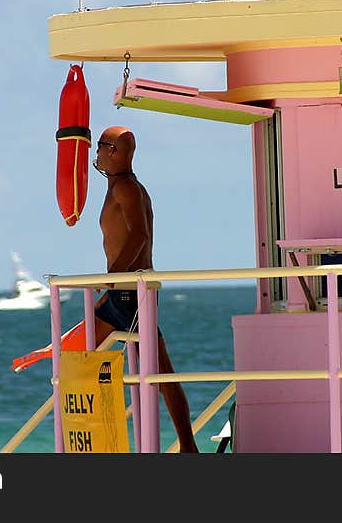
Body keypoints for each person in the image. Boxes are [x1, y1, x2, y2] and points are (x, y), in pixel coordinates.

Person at [91, 125, 199, 453]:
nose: (95, 153)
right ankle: (185, 446)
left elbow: (140, 236)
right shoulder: (125, 187)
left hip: (127, 294)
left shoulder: (125, 187)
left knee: (159, 371)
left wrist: (113, 277)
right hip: (122, 293)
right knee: (78, 361)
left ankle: (187, 446)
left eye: (100, 146)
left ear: (114, 151)